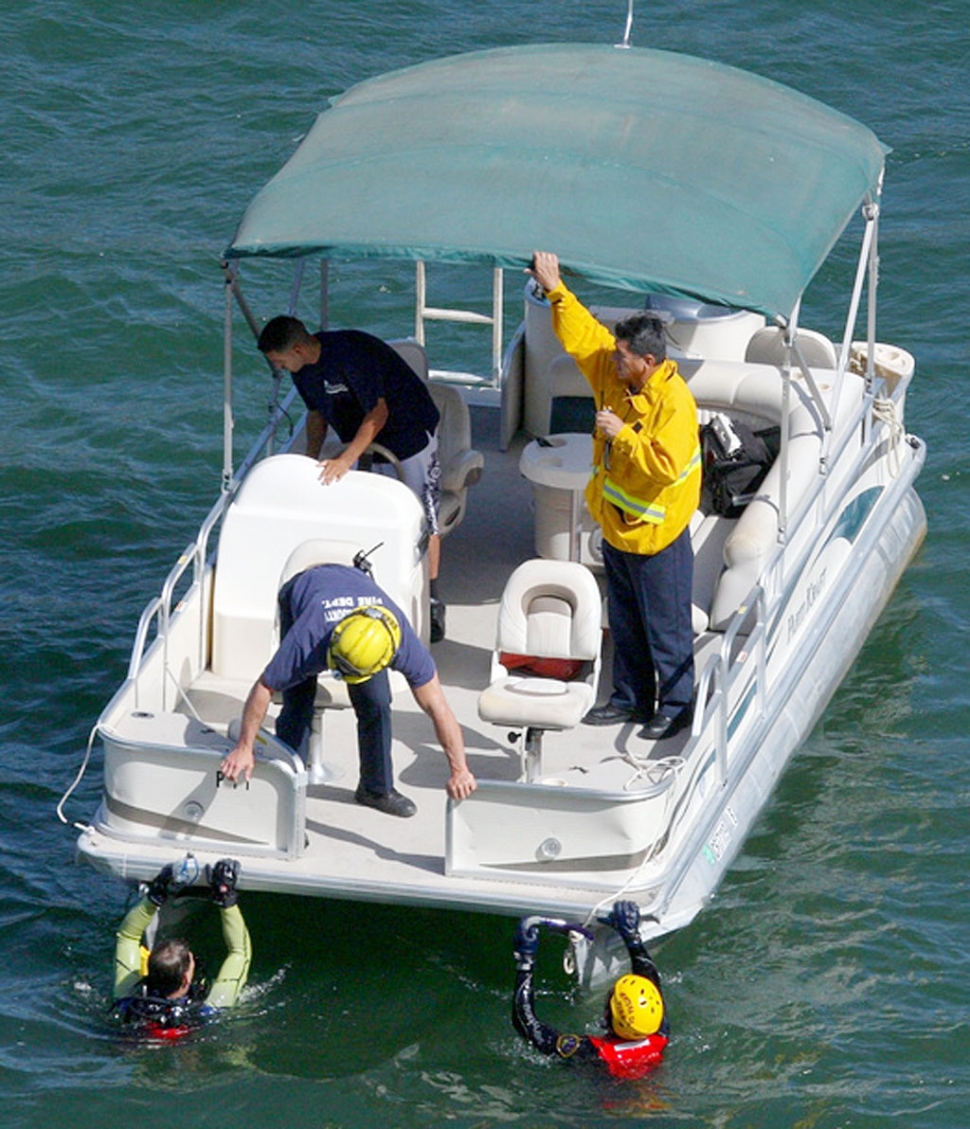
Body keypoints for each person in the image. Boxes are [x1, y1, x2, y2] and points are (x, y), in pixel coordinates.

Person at [528, 252, 701, 740]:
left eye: (622, 356)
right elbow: (584, 336)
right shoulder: (614, 371)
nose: (613, 359)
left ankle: (677, 703)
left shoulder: (674, 405)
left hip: (657, 533)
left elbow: (665, 467)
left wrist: (623, 433)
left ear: (648, 361)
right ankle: (630, 698)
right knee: (624, 622)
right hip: (617, 525)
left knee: (665, 627)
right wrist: (555, 290)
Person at [218, 562, 477, 817]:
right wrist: (244, 747)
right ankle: (289, 798)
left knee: (376, 702)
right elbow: (264, 686)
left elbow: (438, 707)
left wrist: (460, 770)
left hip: (355, 593)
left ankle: (375, 789)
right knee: (298, 700)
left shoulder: (403, 644)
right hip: (305, 590)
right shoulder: (309, 638)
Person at [257, 315, 448, 643]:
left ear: (299, 349)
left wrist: (346, 460)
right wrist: (308, 461)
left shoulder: (350, 355)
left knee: (424, 518)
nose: (280, 368)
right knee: (375, 512)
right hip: (365, 440)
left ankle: (432, 599)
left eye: (280, 361)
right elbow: (316, 416)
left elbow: (378, 412)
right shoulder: (303, 372)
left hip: (408, 431)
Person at [512, 900, 669, 1079]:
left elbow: (527, 1024)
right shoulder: (659, 1035)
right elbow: (650, 983)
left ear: (608, 1016)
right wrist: (632, 937)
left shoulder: (593, 1054)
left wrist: (525, 960)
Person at [112, 858, 251, 1038]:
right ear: (186, 979)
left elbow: (127, 937)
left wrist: (155, 895)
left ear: (148, 968)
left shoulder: (128, 1002)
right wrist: (227, 898)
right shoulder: (206, 1011)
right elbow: (240, 952)